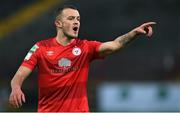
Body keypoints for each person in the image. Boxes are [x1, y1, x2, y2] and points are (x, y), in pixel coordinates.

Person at [9, 5, 156, 112]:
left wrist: (134, 33)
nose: (76, 22)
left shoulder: (86, 47)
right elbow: (20, 74)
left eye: (78, 19)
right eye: (71, 18)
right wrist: (16, 88)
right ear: (58, 23)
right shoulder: (41, 47)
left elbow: (115, 44)